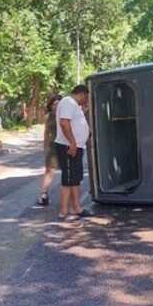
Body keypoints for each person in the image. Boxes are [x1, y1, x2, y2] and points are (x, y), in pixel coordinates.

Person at [54, 85, 90, 220]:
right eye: (86, 97)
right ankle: (64, 211)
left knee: (75, 179)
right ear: (81, 94)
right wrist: (73, 143)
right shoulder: (68, 102)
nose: (86, 101)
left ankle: (76, 208)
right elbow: (64, 123)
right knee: (68, 179)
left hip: (76, 146)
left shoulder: (74, 105)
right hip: (68, 147)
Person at [37, 94, 61, 206]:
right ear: (51, 106)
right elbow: (46, 132)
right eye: (54, 104)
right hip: (53, 147)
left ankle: (69, 197)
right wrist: (45, 147)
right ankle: (43, 194)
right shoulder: (49, 116)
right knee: (49, 171)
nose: (56, 106)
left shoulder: (66, 115)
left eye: (58, 103)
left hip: (66, 146)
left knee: (68, 172)